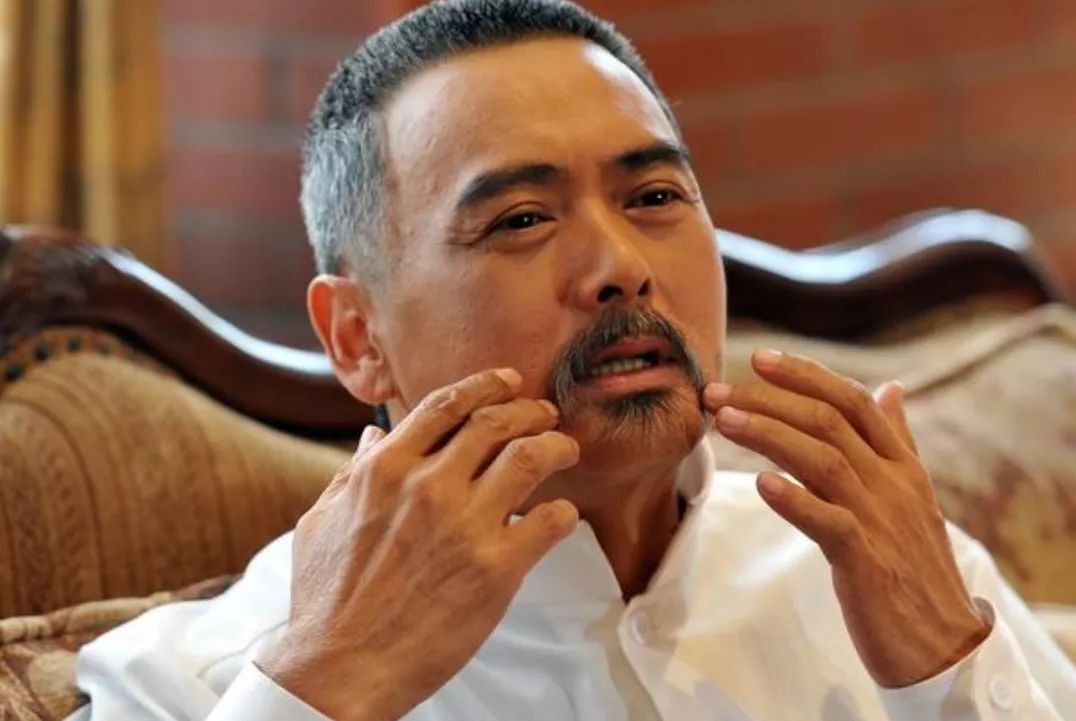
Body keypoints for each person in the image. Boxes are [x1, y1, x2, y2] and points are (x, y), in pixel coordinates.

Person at [70, 0, 1076, 719]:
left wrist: (945, 669)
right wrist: (321, 691)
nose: (620, 267)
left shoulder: (889, 568)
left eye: (654, 198)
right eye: (520, 218)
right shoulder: (195, 681)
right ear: (357, 339)